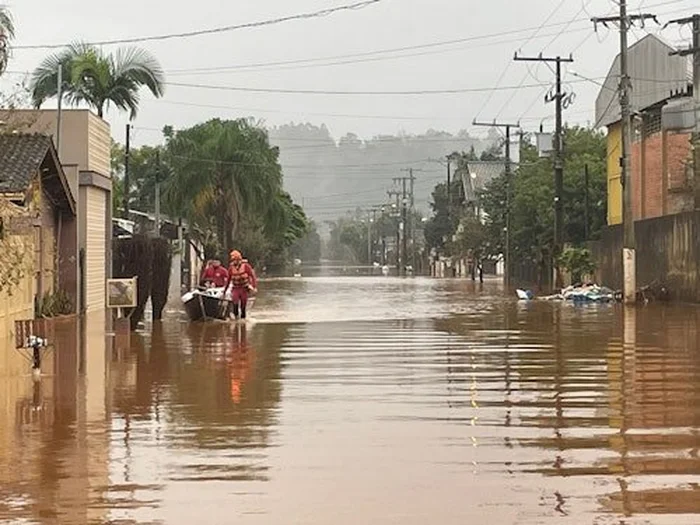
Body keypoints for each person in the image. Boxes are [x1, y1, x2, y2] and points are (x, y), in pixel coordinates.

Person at [224, 250, 257, 320]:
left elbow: (253, 276)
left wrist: (254, 286)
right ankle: (236, 317)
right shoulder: (231, 268)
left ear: (239, 259)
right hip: (235, 288)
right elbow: (228, 280)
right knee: (235, 302)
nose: (234, 261)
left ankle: (243, 319)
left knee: (243, 304)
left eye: (235, 260)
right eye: (233, 260)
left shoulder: (246, 266)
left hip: (244, 288)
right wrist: (225, 290)